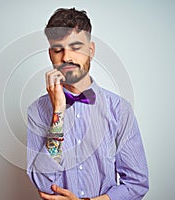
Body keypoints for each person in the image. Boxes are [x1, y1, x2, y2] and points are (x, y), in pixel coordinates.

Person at [27, 8, 149, 200]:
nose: (66, 57)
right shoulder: (37, 111)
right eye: (58, 50)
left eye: (75, 47)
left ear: (90, 50)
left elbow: (136, 183)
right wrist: (58, 112)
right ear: (51, 54)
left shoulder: (120, 109)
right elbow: (42, 184)